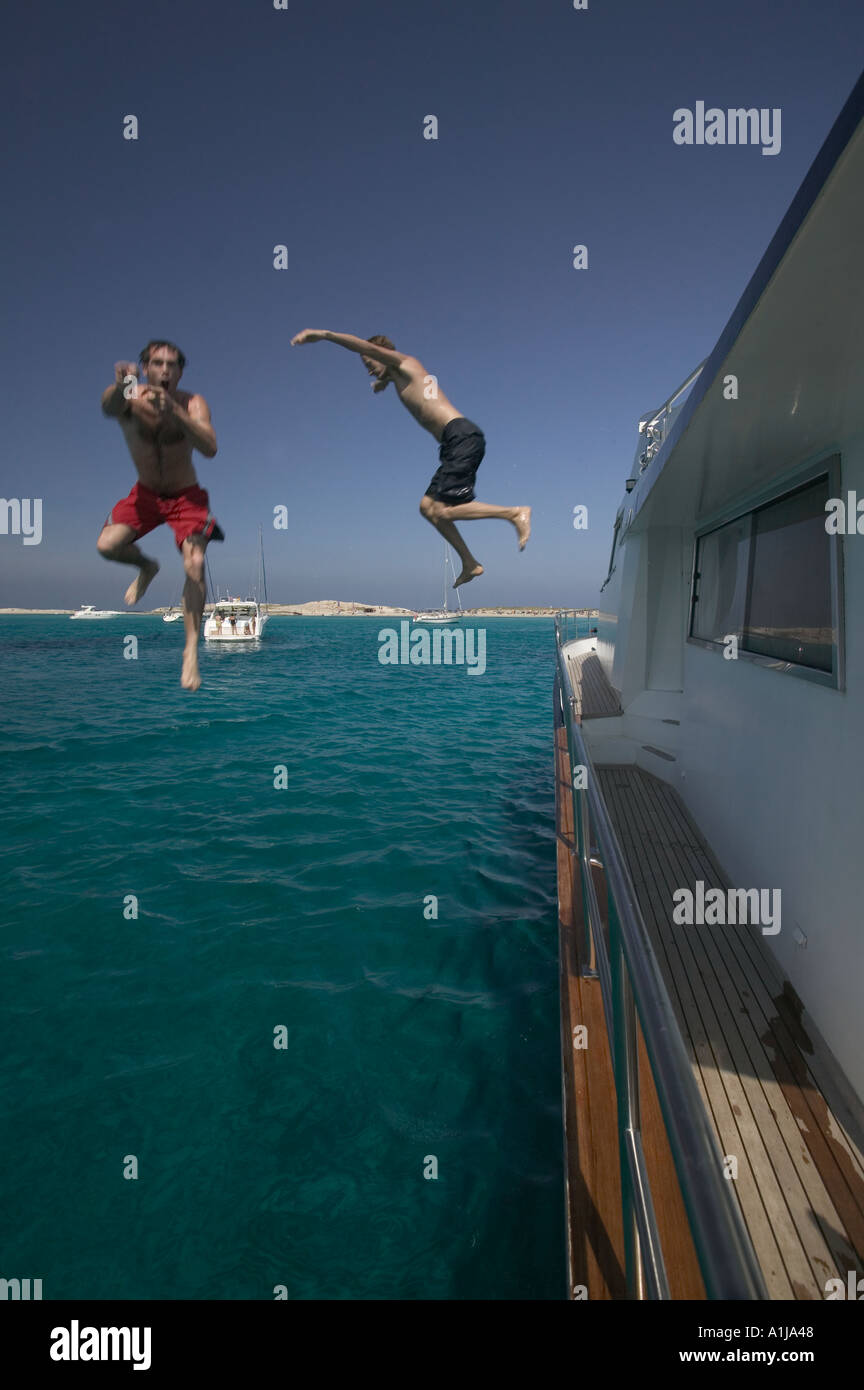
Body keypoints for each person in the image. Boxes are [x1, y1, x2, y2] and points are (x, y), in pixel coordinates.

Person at [290, 329, 530, 587]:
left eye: (370, 365)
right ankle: (470, 563)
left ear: (383, 355)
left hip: (461, 435)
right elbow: (385, 376)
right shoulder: (396, 375)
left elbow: (367, 349)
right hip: (452, 443)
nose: (369, 371)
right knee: (428, 508)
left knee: (443, 510)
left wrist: (325, 335)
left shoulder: (406, 363)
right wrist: (381, 382)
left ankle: (514, 513)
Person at [98, 341, 222, 690]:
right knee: (107, 545)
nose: (165, 370)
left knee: (194, 563)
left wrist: (175, 413)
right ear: (146, 367)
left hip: (186, 496)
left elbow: (211, 447)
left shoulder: (192, 403)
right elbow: (110, 407)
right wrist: (123, 384)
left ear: (180, 372)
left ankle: (191, 651)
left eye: (172, 364)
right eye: (157, 363)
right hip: (146, 494)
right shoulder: (130, 398)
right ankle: (146, 566)